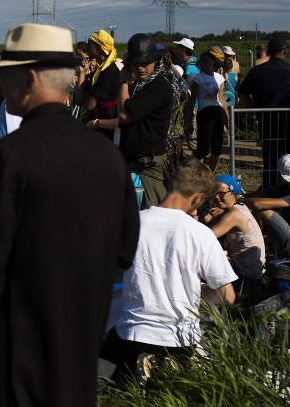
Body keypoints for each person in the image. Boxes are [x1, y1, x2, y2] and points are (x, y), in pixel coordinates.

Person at [0, 23, 139, 406]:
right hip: (80, 349)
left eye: (4, 76)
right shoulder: (108, 157)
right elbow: (125, 250)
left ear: (29, 78)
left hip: (17, 356)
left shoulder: (9, 156)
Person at [100, 158, 236, 383]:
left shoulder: (132, 223)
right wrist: (194, 290)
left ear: (171, 183)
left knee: (111, 347)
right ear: (198, 198)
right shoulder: (201, 234)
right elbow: (227, 296)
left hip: (132, 331)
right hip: (179, 336)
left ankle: (129, 368)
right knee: (212, 333)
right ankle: (168, 366)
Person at [119, 33, 176, 208]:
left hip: (147, 168)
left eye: (145, 63)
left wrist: (123, 82)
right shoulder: (139, 86)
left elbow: (124, 116)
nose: (140, 67)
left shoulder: (158, 86)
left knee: (149, 219)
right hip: (134, 164)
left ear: (155, 61)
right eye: (135, 64)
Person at [237, 37, 290, 188]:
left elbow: (242, 93)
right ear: (284, 52)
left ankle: (269, 187)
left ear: (268, 53)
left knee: (269, 158)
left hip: (266, 121)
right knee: (287, 157)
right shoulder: (288, 71)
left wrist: (254, 109)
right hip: (287, 122)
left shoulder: (257, 71)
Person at [206, 174, 265, 288]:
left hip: (247, 278)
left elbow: (206, 237)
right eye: (214, 193)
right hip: (254, 273)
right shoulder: (240, 207)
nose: (216, 197)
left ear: (232, 192)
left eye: (221, 193)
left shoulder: (233, 215)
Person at [185, 51, 229, 173]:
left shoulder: (219, 78)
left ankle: (210, 174)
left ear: (214, 62)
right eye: (203, 60)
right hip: (204, 112)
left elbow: (221, 99)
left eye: (208, 60)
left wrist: (227, 117)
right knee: (203, 149)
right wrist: (189, 121)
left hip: (217, 112)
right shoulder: (198, 78)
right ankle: (191, 171)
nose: (205, 62)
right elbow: (192, 100)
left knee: (217, 149)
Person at [240, 153, 290, 258]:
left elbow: (257, 204)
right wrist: (240, 196)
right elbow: (259, 194)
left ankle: (256, 243)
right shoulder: (285, 187)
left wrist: (236, 201)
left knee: (263, 210)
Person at [76, 29, 120, 141]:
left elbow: (90, 105)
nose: (88, 48)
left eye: (90, 45)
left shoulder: (109, 72)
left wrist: (88, 100)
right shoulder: (98, 71)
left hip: (103, 130)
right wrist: (82, 73)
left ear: (99, 48)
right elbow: (79, 101)